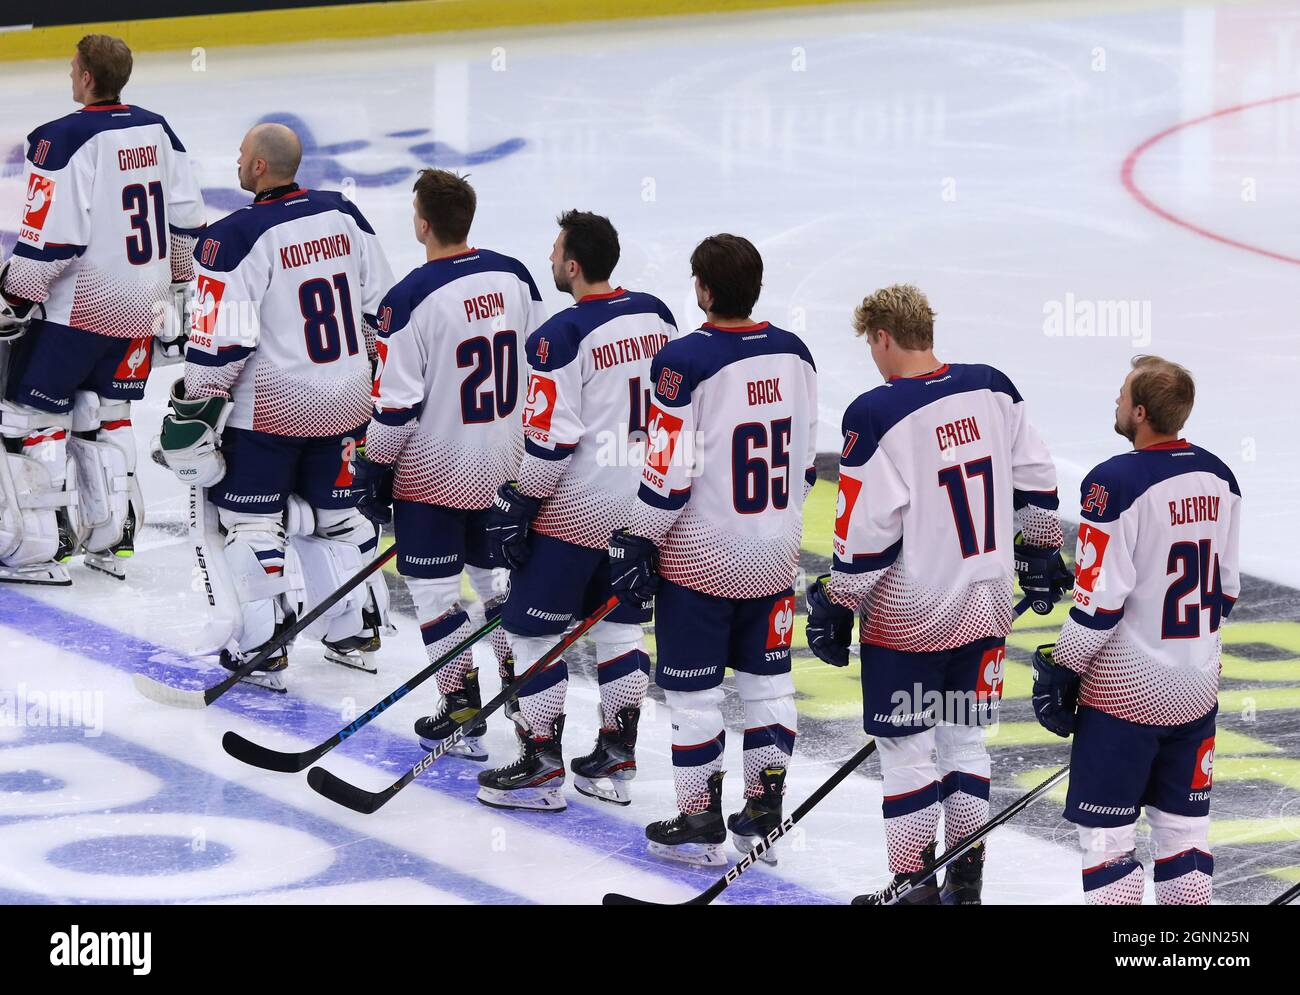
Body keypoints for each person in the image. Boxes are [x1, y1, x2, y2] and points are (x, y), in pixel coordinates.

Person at [805, 284, 1068, 904]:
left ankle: (913, 886)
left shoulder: (876, 413)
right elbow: (1037, 478)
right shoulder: (993, 388)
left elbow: (866, 531)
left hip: (912, 613)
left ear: (883, 338)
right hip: (986, 604)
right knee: (963, 742)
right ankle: (964, 885)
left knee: (907, 751)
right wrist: (1038, 552)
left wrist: (837, 602)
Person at [156, 122, 394, 691]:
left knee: (250, 522)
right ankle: (353, 628)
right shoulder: (343, 215)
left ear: (259, 167)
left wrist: (193, 404)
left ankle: (264, 643)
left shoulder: (233, 237)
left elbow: (223, 342)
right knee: (336, 520)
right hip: (346, 399)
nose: (236, 161)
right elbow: (381, 305)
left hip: (269, 410)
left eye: (241, 154)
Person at [608, 233, 817, 865]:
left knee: (695, 695)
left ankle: (699, 817)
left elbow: (668, 474)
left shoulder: (683, 361)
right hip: (776, 552)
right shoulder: (795, 352)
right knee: (768, 686)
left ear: (702, 290)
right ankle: (763, 815)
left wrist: (637, 539)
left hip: (701, 557)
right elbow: (807, 461)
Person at [477, 210, 676, 811]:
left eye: (555, 249)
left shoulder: (561, 335)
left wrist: (521, 500)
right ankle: (615, 758)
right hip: (640, 510)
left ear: (573, 265)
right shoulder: (657, 314)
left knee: (529, 632)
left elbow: (554, 437)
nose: (549, 257)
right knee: (619, 631)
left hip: (575, 511)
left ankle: (540, 766)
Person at [1032, 355, 1240, 905]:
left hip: (1123, 701)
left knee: (1106, 840)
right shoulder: (1221, 475)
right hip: (1196, 689)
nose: (1115, 403)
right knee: (1184, 836)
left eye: (1122, 396)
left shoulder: (1113, 482)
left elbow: (1099, 604)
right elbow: (1227, 591)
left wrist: (1062, 666)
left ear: (1141, 412)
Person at [351, 169, 545, 754]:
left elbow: (397, 404)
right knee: (496, 585)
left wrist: (374, 469)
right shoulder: (515, 276)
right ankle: (520, 693)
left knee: (436, 596)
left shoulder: (407, 299)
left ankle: (463, 708)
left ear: (423, 224)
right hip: (507, 467)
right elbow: (542, 368)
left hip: (434, 473)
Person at [0, 34, 205, 585]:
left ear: (87, 78)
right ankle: (111, 534)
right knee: (106, 416)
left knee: (33, 419)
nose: (70, 76)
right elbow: (187, 221)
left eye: (73, 69)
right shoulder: (159, 129)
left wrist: (12, 296)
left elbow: (53, 240)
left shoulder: (60, 139)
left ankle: (37, 547)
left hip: (74, 311)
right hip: (143, 306)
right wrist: (176, 287)